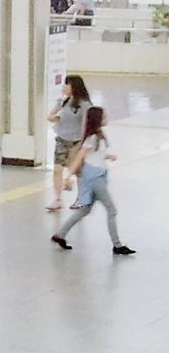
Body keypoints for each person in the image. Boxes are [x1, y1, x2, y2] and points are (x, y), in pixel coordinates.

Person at [51, 106, 135, 256]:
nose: (107, 119)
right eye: (104, 117)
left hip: (98, 175)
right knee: (111, 210)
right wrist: (68, 176)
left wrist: (107, 156)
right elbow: (80, 157)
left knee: (85, 209)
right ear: (98, 120)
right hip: (95, 179)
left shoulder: (98, 136)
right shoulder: (93, 138)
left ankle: (60, 234)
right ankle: (117, 245)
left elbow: (94, 155)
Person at [47, 75, 92, 212]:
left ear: (74, 87)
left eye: (67, 85)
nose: (64, 87)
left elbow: (88, 124)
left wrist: (85, 144)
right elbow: (49, 116)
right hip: (61, 140)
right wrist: (53, 118)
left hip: (77, 142)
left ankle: (80, 198)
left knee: (78, 173)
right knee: (57, 169)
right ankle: (58, 199)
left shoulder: (84, 105)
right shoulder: (63, 101)